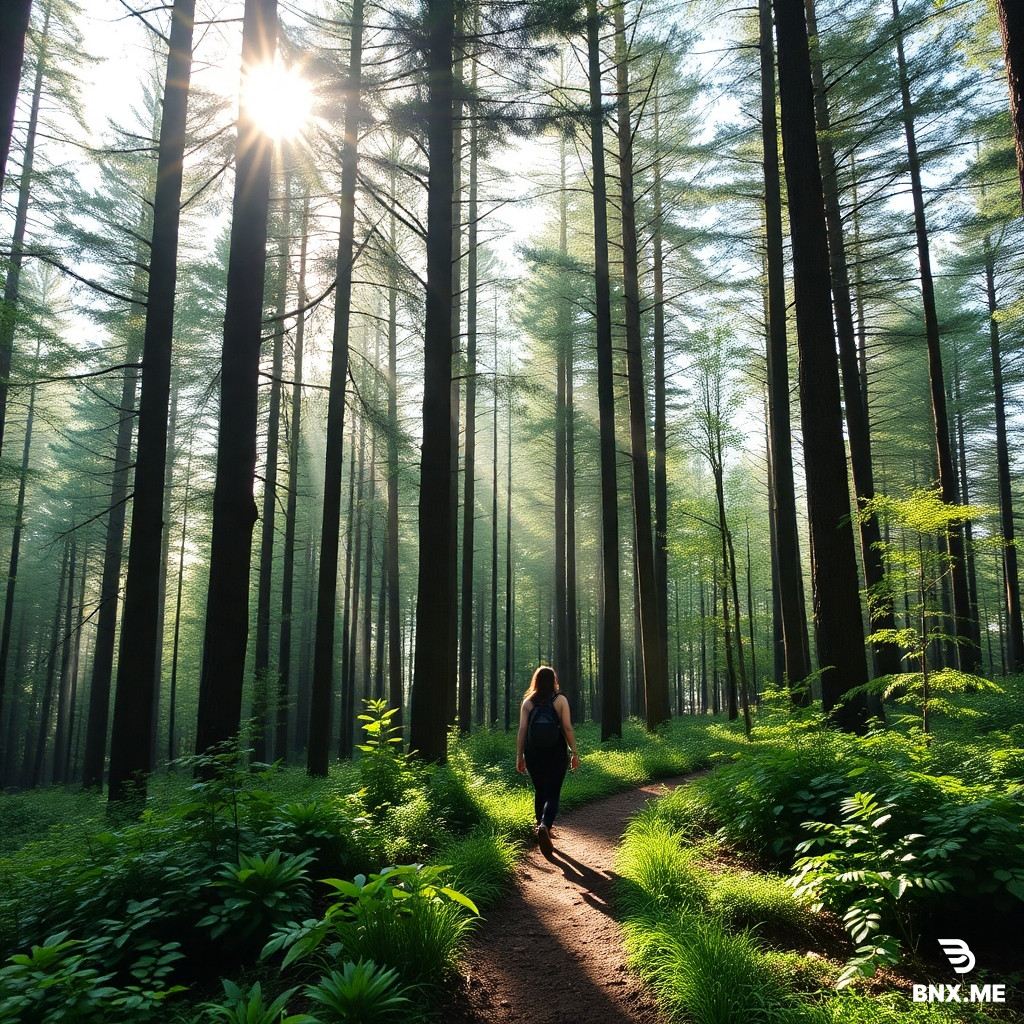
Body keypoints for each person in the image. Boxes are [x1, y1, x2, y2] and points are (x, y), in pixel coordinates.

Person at [516, 665, 579, 857]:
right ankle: (545, 825)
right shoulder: (560, 700)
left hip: (533, 753)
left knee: (540, 791)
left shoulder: (528, 702)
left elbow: (522, 730)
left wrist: (519, 756)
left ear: (535, 681)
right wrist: (574, 752)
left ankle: (540, 826)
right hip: (556, 752)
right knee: (552, 794)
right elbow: (567, 728)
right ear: (553, 681)